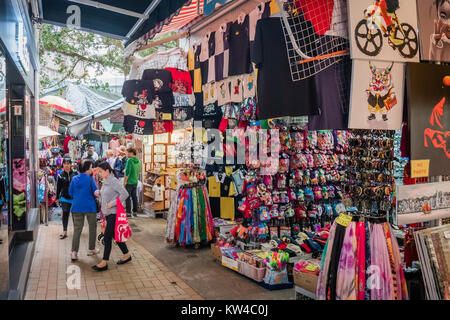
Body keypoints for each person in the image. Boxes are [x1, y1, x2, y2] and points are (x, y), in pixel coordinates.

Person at [92, 162, 131, 271]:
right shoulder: (106, 181)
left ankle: (104, 262)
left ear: (107, 171)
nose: (99, 174)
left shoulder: (114, 181)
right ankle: (127, 254)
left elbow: (125, 194)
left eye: (100, 171)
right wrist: (99, 192)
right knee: (114, 236)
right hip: (108, 214)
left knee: (107, 237)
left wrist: (112, 203)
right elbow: (107, 193)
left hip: (114, 213)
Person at [68, 159, 100, 261]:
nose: (92, 169)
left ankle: (74, 252)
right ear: (87, 169)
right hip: (90, 207)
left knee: (77, 229)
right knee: (92, 228)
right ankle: (91, 249)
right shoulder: (91, 179)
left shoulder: (74, 179)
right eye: (91, 167)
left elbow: (70, 193)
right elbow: (96, 192)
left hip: (76, 207)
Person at [55, 157, 77, 240]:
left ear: (71, 164)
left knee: (75, 215)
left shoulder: (75, 174)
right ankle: (65, 231)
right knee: (65, 213)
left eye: (68, 163)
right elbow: (58, 187)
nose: (67, 165)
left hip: (74, 198)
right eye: (65, 163)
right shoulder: (60, 175)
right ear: (62, 165)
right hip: (64, 197)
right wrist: (57, 198)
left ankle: (76, 231)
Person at [124, 147, 140, 217]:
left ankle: (128, 212)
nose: (127, 154)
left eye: (128, 153)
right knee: (134, 197)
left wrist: (125, 181)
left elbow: (127, 172)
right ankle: (135, 211)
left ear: (131, 153)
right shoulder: (138, 161)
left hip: (129, 182)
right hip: (135, 181)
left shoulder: (129, 160)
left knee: (127, 197)